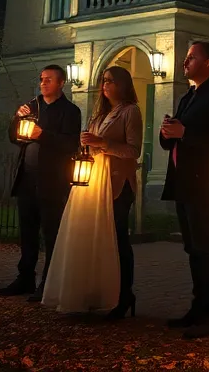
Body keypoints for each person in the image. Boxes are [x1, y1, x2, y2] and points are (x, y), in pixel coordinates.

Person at [42, 64, 143, 318]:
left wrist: (103, 143)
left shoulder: (130, 112)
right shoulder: (100, 115)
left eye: (110, 80)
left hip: (117, 183)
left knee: (118, 239)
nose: (105, 85)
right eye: (103, 80)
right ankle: (96, 291)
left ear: (122, 84)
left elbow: (133, 151)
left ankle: (125, 294)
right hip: (94, 182)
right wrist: (87, 144)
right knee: (95, 238)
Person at [160, 41, 209, 338]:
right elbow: (175, 140)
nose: (185, 61)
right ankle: (198, 306)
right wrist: (168, 132)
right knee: (193, 248)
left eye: (191, 57)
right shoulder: (188, 97)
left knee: (204, 248)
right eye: (186, 56)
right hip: (184, 182)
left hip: (204, 183)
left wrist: (185, 132)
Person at [0, 64, 82, 301]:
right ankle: (25, 277)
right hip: (27, 179)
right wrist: (17, 118)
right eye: (42, 79)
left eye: (49, 80)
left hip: (52, 182)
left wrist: (41, 134)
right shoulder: (32, 106)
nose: (43, 83)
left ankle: (49, 282)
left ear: (61, 83)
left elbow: (70, 144)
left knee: (51, 234)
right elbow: (14, 137)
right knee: (27, 232)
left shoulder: (70, 111)